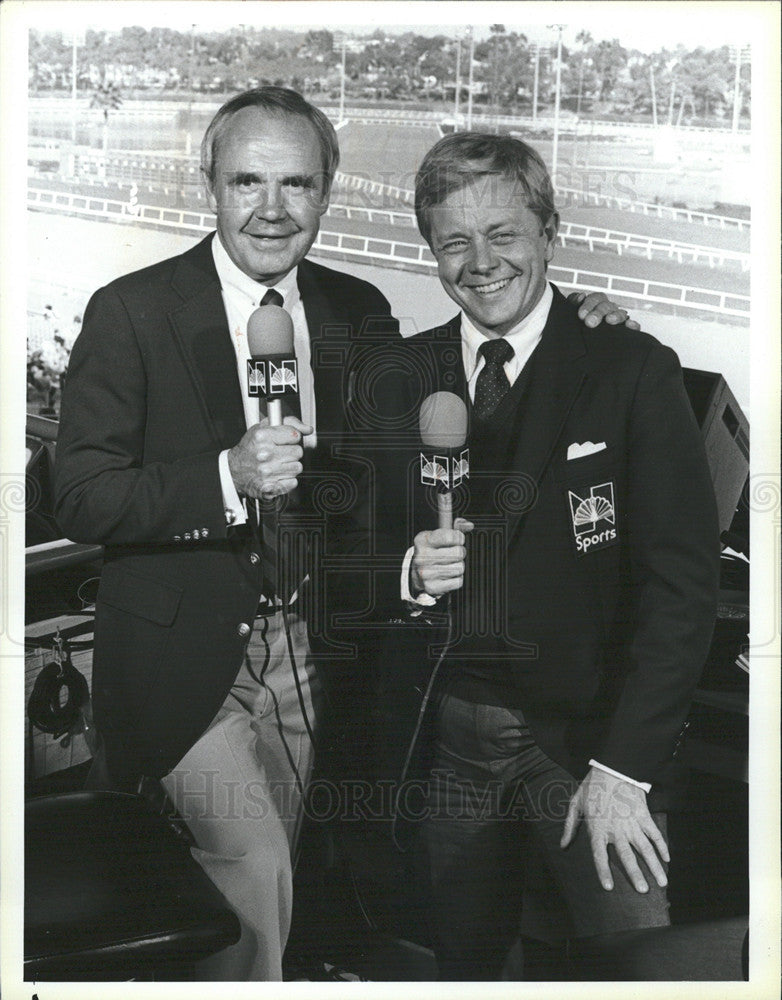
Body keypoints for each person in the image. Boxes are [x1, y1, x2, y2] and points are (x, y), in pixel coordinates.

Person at [53, 87, 638, 981]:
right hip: (186, 663)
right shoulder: (131, 311)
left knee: (284, 876)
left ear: (327, 192)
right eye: (248, 180)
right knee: (255, 864)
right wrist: (227, 476)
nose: (272, 208)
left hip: (320, 656)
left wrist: (572, 329)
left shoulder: (358, 310)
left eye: (298, 183)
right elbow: (83, 496)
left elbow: (406, 473)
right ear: (208, 182)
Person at [399, 132, 720, 980]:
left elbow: (681, 589)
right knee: (461, 963)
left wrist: (624, 770)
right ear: (432, 251)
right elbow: (359, 544)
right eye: (453, 241)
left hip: (590, 746)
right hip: (454, 737)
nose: (480, 262)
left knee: (637, 964)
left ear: (551, 233)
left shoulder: (631, 367)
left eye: (503, 234)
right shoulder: (405, 373)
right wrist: (406, 574)